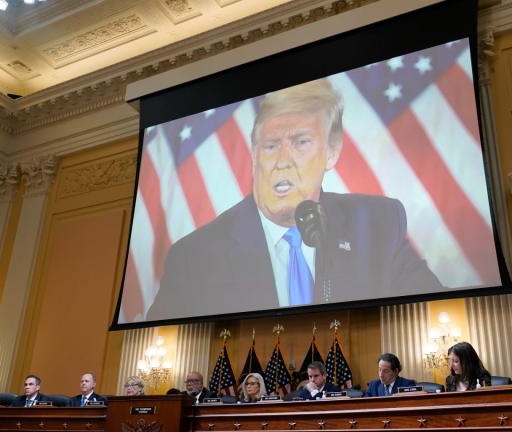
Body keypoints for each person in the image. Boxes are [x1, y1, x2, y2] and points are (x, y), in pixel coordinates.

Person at [146, 79, 442, 320]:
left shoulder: (378, 223)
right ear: (254, 155)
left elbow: (431, 307)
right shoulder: (194, 257)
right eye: (272, 145)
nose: (282, 161)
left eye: (300, 142)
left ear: (332, 151)